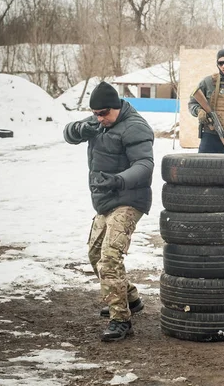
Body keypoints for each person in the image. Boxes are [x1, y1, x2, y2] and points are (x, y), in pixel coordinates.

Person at [63, 81, 154, 341]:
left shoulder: (135, 127)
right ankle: (131, 299)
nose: (100, 118)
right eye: (96, 114)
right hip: (105, 201)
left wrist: (119, 180)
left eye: (104, 113)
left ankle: (120, 320)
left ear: (116, 108)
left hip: (129, 199)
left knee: (110, 257)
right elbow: (68, 134)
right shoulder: (98, 121)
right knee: (95, 255)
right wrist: (81, 127)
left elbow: (145, 164)